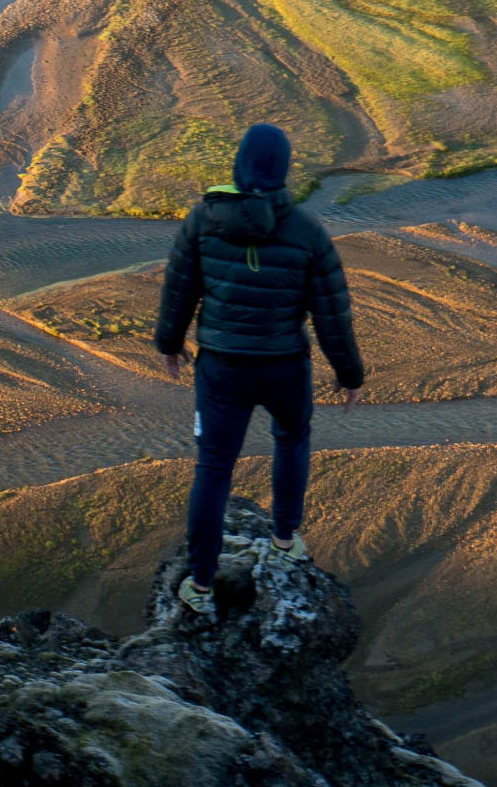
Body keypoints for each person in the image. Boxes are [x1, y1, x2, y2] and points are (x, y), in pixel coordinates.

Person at [151, 120, 364, 618]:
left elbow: (178, 287)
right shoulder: (308, 232)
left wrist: (168, 343)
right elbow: (333, 311)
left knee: (213, 468)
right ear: (284, 171)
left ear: (238, 165)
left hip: (222, 368)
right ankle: (285, 539)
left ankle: (200, 587)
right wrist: (349, 375)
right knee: (291, 440)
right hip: (285, 366)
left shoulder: (202, 221)